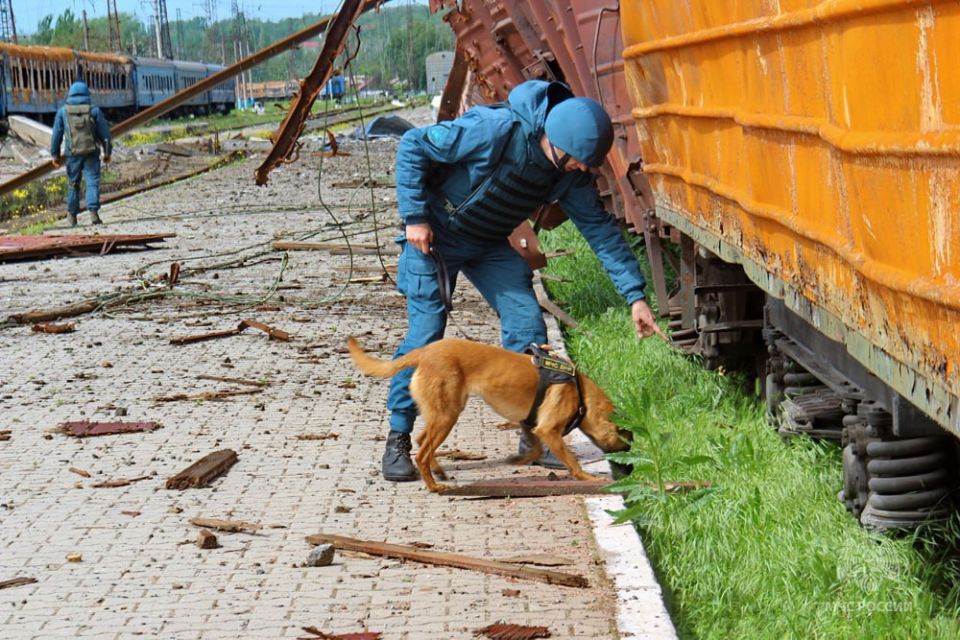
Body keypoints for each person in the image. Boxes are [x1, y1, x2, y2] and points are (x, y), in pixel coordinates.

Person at [383, 79, 664, 482]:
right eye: (580, 160)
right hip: (435, 235)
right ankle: (398, 437)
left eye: (589, 163)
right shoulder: (492, 130)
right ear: (556, 140)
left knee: (527, 325)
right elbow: (413, 145)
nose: (584, 169)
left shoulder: (569, 174)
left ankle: (533, 435)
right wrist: (415, 217)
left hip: (487, 243)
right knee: (428, 335)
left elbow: (600, 231)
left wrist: (635, 297)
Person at [50, 81, 112, 227]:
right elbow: (105, 135)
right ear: (87, 93)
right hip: (91, 152)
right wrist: (107, 152)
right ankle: (93, 214)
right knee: (92, 182)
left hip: (72, 153)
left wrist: (55, 155)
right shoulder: (94, 110)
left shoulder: (63, 112)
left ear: (70, 94)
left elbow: (56, 135)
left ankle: (71, 216)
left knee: (73, 184)